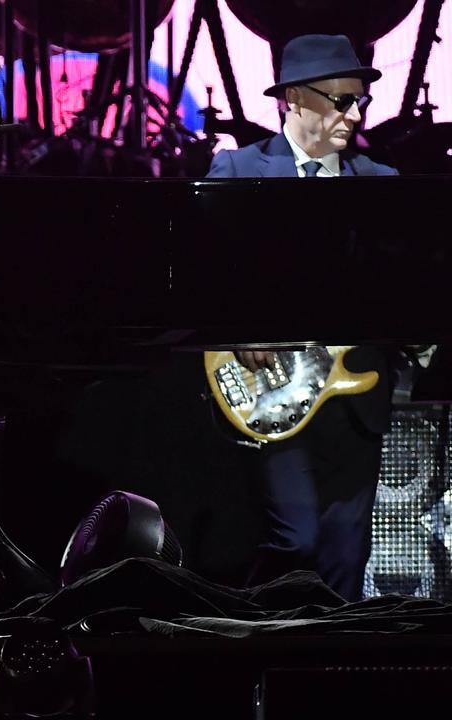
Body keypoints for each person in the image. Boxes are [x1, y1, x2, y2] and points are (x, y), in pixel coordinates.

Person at [207, 34, 413, 601]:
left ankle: (331, 672)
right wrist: (239, 330)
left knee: (348, 547)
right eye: (341, 100)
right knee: (295, 538)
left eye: (361, 101)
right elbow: (203, 277)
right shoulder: (238, 170)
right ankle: (250, 637)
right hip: (271, 387)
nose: (356, 113)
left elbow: (400, 289)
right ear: (293, 98)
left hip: (356, 393)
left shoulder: (380, 185)